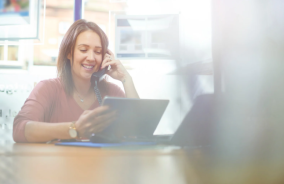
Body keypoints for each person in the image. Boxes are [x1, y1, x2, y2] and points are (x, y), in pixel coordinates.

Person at [13, 19, 139, 143]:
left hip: (100, 163)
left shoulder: (112, 92)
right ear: (69, 53)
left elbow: (138, 131)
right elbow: (19, 129)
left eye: (98, 52)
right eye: (83, 50)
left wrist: (126, 79)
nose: (91, 58)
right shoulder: (47, 88)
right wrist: (75, 129)